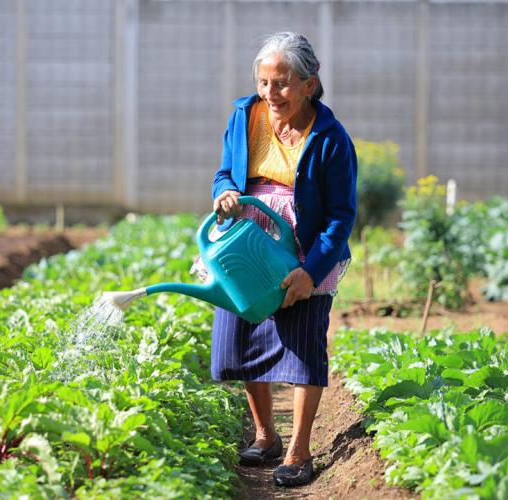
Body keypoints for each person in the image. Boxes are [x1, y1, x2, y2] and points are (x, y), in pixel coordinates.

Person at [208, 32, 357, 487]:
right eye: (264, 82)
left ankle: (298, 449)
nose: (271, 94)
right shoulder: (243, 115)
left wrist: (310, 271)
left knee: (303, 343)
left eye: (283, 83)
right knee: (240, 335)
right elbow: (223, 174)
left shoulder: (331, 138)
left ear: (310, 84)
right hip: (246, 238)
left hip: (302, 245)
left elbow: (339, 215)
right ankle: (265, 434)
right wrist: (225, 192)